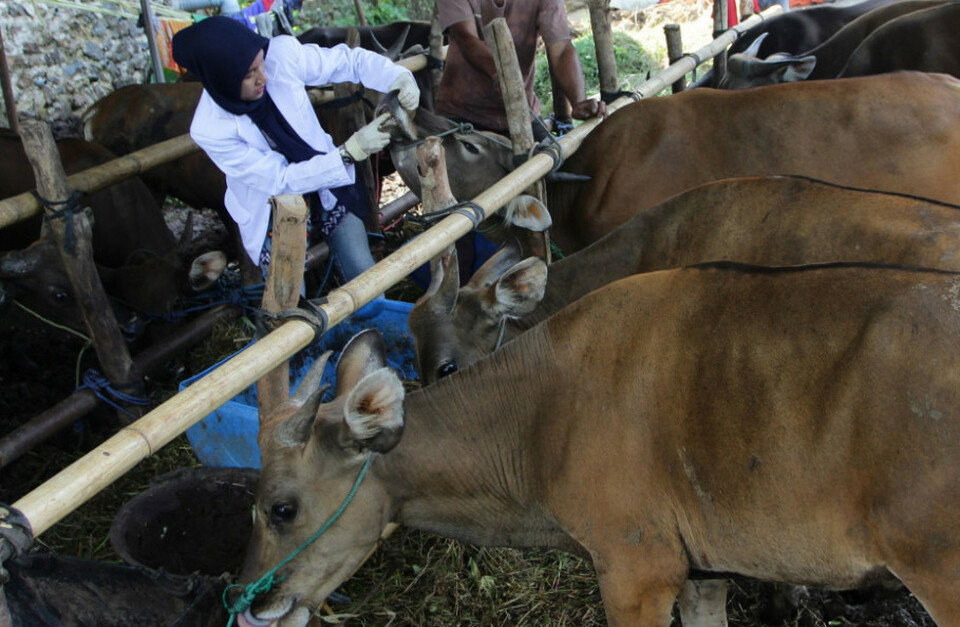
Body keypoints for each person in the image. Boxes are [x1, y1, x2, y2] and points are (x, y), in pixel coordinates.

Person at [172, 16, 420, 286]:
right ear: (222, 80)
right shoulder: (211, 130)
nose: (263, 77)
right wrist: (350, 152)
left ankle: (373, 316)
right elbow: (280, 180)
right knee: (290, 302)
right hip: (273, 209)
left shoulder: (280, 55)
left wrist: (397, 76)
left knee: (363, 271)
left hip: (326, 181)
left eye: (260, 64)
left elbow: (348, 61)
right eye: (249, 74)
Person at [435, 0, 607, 142]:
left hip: (523, 113)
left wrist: (578, 101)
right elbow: (467, 39)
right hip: (460, 113)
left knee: (556, 171)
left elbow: (561, 48)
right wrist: (502, 75)